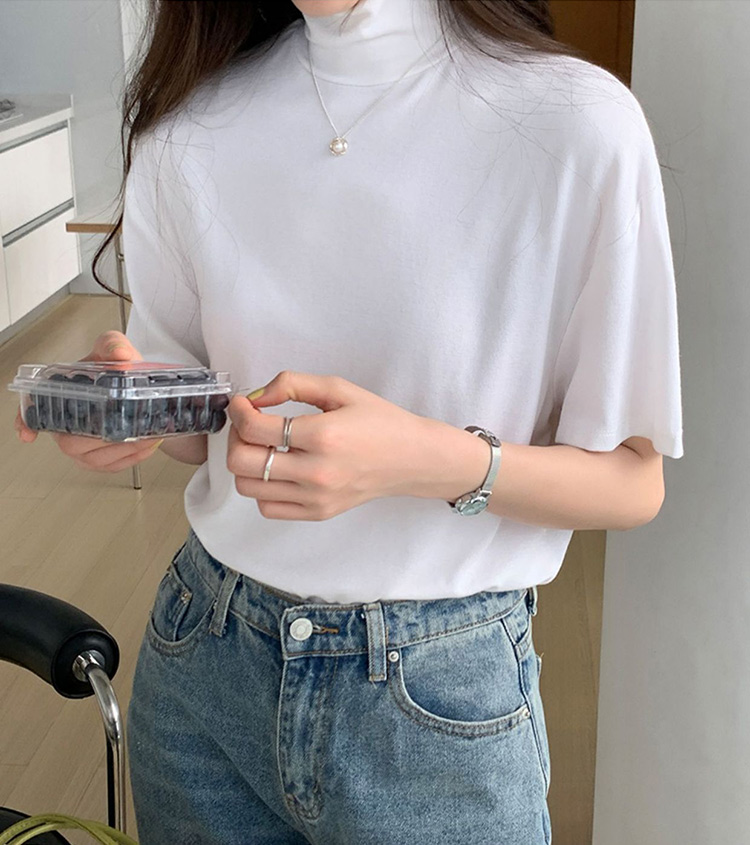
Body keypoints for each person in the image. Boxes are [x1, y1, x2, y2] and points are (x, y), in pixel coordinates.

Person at [14, 0, 684, 842]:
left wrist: (430, 460)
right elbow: (199, 431)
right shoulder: (187, 127)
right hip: (204, 664)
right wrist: (136, 411)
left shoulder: (577, 125)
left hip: (439, 700)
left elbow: (633, 480)